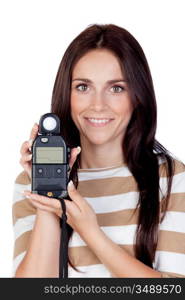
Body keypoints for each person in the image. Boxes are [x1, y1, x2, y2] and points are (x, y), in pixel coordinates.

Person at [12, 23, 185, 278]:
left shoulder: (171, 178)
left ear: (137, 96)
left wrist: (90, 232)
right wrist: (50, 192)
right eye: (83, 87)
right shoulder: (28, 184)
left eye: (116, 88)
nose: (98, 105)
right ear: (66, 94)